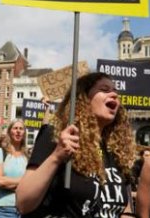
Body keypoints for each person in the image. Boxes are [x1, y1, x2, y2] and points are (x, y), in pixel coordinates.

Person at [16, 72, 136, 217]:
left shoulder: (115, 152)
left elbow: (125, 209)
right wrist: (56, 156)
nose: (114, 95)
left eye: (115, 91)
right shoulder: (56, 136)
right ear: (83, 99)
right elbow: (23, 203)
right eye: (104, 90)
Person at [0, 119, 28, 218]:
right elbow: (0, 181)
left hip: (24, 209)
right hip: (3, 209)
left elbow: (32, 184)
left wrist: (10, 183)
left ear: (24, 133)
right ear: (9, 132)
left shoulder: (28, 157)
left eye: (21, 129)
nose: (18, 131)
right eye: (15, 128)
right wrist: (24, 182)